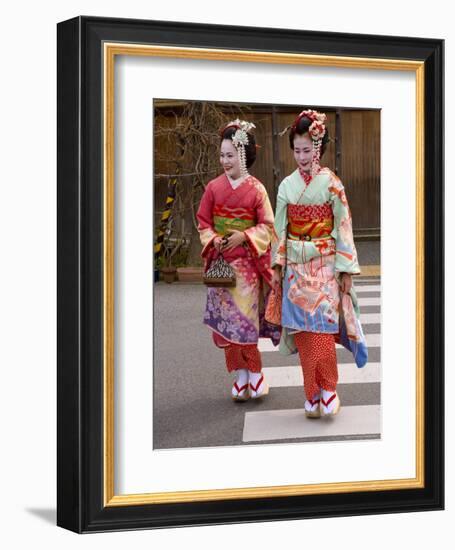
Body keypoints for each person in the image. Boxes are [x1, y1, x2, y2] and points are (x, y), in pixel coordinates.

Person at [271, 109, 367, 418]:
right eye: (297, 150)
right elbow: (279, 229)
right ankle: (311, 393)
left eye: (307, 150)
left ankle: (329, 390)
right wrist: (277, 266)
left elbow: (343, 227)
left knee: (322, 332)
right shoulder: (286, 186)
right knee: (303, 333)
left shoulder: (332, 184)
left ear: (318, 147)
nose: (301, 156)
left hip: (325, 266)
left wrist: (346, 270)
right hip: (296, 270)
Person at [197, 119, 280, 401]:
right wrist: (213, 239)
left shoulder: (256, 190)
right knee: (227, 326)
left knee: (243, 324)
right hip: (221, 266)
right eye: (222, 155)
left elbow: (268, 226)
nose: (224, 160)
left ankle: (255, 373)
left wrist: (243, 236)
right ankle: (240, 375)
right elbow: (203, 222)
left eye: (230, 155)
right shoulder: (213, 188)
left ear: (243, 155)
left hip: (246, 269)